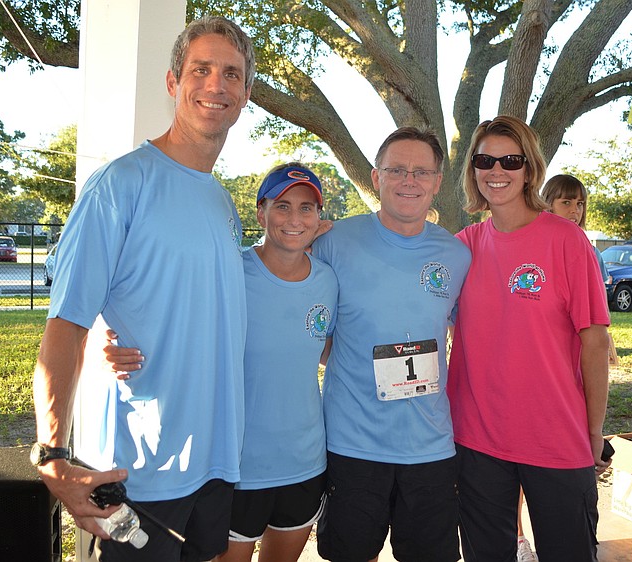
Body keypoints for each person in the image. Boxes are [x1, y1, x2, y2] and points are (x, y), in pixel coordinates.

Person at [32, 16, 254, 562]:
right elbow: (66, 324)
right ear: (174, 82)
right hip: (139, 473)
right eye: (201, 69)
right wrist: (53, 452)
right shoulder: (120, 185)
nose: (216, 85)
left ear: (246, 93)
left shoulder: (222, 201)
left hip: (215, 462)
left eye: (231, 74)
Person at [105, 163, 339, 562]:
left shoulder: (328, 280)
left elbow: (326, 352)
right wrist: (107, 339)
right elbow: (170, 317)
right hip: (237, 464)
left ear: (320, 217)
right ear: (260, 213)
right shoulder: (229, 271)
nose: (294, 219)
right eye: (282, 207)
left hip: (305, 461)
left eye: (306, 208)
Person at [448, 115, 610, 562]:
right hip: (477, 438)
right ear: (473, 169)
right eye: (485, 160)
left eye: (510, 160)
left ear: (529, 169)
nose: (496, 171)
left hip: (557, 438)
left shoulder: (567, 241)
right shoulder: (462, 246)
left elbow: (595, 343)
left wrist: (594, 431)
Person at [310, 127, 472, 562]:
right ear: (375, 176)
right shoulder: (332, 242)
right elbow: (306, 327)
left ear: (438, 182)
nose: (409, 180)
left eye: (422, 172)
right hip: (353, 444)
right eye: (396, 169)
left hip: (431, 446)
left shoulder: (456, 255)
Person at [541, 173, 609, 284]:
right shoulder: (533, 247)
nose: (575, 210)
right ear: (548, 204)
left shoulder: (591, 252)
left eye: (580, 203)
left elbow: (600, 298)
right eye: (566, 202)